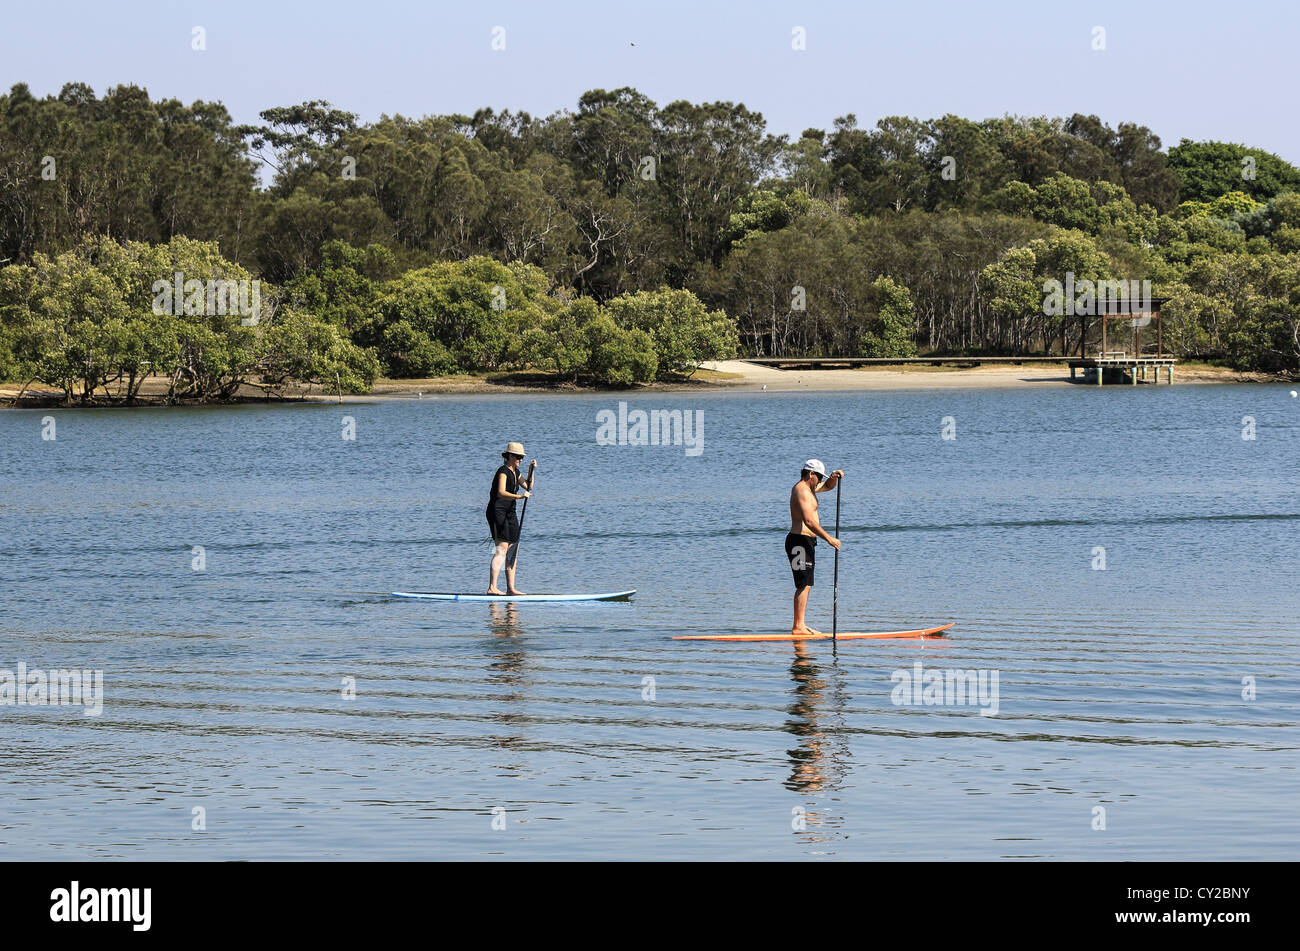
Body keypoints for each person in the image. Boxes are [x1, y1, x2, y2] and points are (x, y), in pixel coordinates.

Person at [786, 459, 843, 636]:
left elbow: (828, 487)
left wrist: (833, 477)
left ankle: (800, 624)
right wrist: (829, 539)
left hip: (805, 542)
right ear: (810, 474)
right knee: (803, 584)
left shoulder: (810, 487)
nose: (819, 480)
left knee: (807, 584)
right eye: (818, 476)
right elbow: (809, 521)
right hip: (799, 541)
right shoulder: (802, 490)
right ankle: (798, 627)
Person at [487, 442, 536, 595]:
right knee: (501, 549)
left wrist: (531, 470)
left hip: (510, 512)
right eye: (518, 457)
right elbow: (501, 492)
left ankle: (511, 588)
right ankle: (492, 587)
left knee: (513, 550)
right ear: (509, 456)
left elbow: (528, 486)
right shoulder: (502, 471)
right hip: (497, 511)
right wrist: (519, 496)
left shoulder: (516, 472)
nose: (520, 459)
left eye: (522, 457)